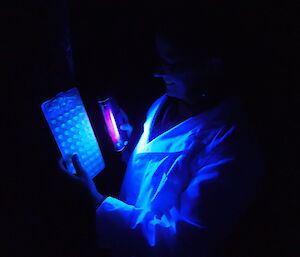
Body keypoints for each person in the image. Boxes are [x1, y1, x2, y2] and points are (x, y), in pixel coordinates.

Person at [59, 12, 265, 257]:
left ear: (211, 66)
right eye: (159, 58)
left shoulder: (234, 149)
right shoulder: (165, 103)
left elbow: (182, 242)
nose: (158, 71)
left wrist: (95, 202)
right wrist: (129, 149)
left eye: (173, 63)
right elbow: (160, 175)